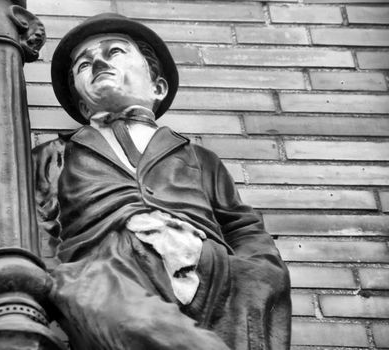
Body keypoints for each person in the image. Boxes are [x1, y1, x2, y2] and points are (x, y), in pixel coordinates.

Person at [33, 13, 291, 350]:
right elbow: (38, 229)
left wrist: (256, 274)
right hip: (104, 280)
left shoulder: (199, 158)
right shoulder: (55, 156)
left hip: (211, 280)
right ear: (82, 103)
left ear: (158, 87)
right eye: (83, 64)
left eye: (114, 52)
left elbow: (242, 226)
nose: (96, 62)